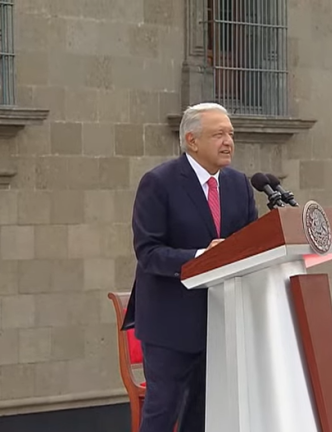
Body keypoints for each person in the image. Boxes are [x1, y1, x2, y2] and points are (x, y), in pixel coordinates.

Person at [122, 102, 258, 432]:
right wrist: (201, 255)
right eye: (219, 134)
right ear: (192, 140)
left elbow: (254, 243)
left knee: (204, 416)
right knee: (163, 412)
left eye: (231, 134)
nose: (228, 142)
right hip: (170, 324)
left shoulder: (240, 185)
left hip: (220, 321)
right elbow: (149, 252)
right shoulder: (159, 182)